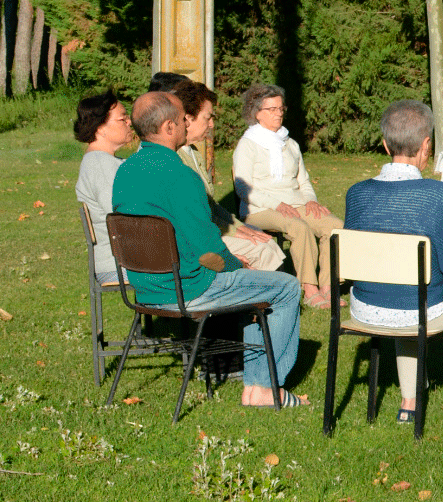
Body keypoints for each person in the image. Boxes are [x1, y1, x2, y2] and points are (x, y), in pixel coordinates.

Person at [111, 92, 306, 409]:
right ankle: (263, 388)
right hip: (189, 287)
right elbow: (208, 249)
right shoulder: (180, 175)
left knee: (258, 285)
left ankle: (257, 382)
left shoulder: (126, 170)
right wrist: (239, 267)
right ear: (169, 127)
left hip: (144, 288)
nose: (187, 125)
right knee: (286, 287)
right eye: (182, 120)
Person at [345, 101, 443, 425]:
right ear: (426, 145)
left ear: (385, 144)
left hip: (364, 308)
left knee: (408, 295)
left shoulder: (356, 193)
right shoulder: (437, 195)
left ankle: (409, 403)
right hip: (418, 308)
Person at [233, 83, 343, 308]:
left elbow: (303, 181)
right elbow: (243, 189)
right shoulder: (247, 144)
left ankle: (329, 287)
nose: (278, 113)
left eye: (281, 108)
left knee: (335, 226)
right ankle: (309, 289)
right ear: (257, 113)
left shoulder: (290, 143)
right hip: (259, 208)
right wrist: (277, 204)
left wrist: (311, 200)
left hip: (296, 204)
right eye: (272, 109)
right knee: (298, 227)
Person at [169, 80, 286, 272]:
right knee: (261, 249)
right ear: (188, 119)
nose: (212, 124)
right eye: (208, 118)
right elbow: (197, 216)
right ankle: (264, 289)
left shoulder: (193, 153)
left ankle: (271, 288)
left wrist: (241, 228)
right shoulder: (176, 159)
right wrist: (235, 231)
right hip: (199, 242)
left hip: (209, 232)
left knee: (262, 241)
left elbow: (212, 205)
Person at [74, 93, 132, 284]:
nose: (129, 122)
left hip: (131, 262)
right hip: (119, 266)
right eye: (122, 118)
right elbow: (123, 216)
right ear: (100, 128)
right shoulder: (99, 164)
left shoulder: (108, 161)